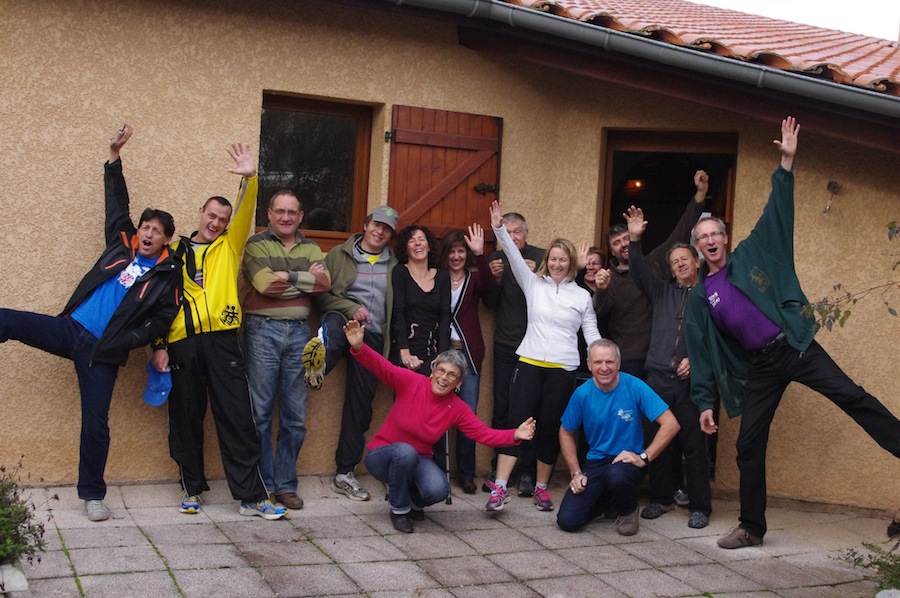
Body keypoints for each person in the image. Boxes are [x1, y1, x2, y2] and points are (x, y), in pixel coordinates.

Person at [686, 116, 900, 549]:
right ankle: (751, 527)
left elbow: (777, 216)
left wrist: (785, 166)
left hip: (795, 348)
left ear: (725, 239)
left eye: (716, 233)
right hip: (760, 367)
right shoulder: (700, 293)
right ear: (696, 247)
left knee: (851, 394)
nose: (711, 240)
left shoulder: (750, 255)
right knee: (747, 446)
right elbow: (702, 350)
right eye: (703, 237)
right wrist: (704, 401)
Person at [0, 124, 182, 522]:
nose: (148, 233)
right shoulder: (121, 244)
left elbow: (162, 321)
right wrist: (114, 157)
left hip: (102, 352)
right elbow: (116, 204)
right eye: (145, 228)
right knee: (7, 319)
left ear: (166, 240)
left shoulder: (167, 277)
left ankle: (93, 495)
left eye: (156, 231)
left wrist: (128, 344)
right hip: (70, 330)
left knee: (95, 424)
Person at [153, 142, 286, 521]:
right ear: (200, 214)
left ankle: (251, 497)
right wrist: (159, 345)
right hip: (181, 345)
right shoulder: (174, 252)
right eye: (211, 215)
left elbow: (246, 210)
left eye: (222, 219)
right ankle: (191, 490)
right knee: (185, 419)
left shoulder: (229, 247)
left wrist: (251, 177)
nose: (215, 223)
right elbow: (159, 306)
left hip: (223, 342)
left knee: (238, 419)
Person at [339, 320, 536, 533]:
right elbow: (381, 366)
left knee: (439, 489)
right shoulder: (410, 382)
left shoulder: (457, 408)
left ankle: (413, 502)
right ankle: (399, 509)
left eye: (452, 375)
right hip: (382, 456)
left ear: (459, 384)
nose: (444, 378)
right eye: (441, 371)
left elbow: (483, 434)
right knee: (405, 452)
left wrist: (515, 434)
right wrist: (359, 346)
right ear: (432, 371)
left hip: (419, 460)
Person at [485, 200, 600, 514]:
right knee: (516, 424)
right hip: (530, 363)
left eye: (564, 259)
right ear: (547, 261)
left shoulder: (581, 296)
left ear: (572, 263)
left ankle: (541, 488)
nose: (559, 264)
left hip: (562, 370)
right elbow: (511, 252)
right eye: (554, 259)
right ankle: (500, 487)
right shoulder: (533, 284)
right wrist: (498, 228)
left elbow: (590, 329)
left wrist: (599, 357)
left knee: (550, 427)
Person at [241, 189, 331, 511]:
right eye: (280, 211)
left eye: (292, 212)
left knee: (295, 415)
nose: (286, 217)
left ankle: (286, 485)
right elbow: (264, 284)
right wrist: (305, 278)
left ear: (301, 216)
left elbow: (325, 284)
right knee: (260, 413)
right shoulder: (255, 244)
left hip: (299, 334)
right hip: (262, 332)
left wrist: (287, 275)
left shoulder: (311, 246)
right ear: (269, 213)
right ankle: (263, 484)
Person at [302, 205, 399, 502]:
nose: (380, 231)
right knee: (333, 329)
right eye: (376, 224)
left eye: (387, 229)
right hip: (344, 322)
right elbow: (323, 295)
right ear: (366, 223)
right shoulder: (339, 255)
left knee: (360, 405)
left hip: (373, 339)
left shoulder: (397, 265)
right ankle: (318, 366)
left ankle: (345, 472)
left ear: (390, 235)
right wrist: (350, 308)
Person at [626, 207, 712, 529]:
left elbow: (719, 340)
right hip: (657, 379)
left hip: (692, 383)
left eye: (684, 259)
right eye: (674, 262)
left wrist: (699, 361)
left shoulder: (709, 295)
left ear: (696, 262)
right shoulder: (661, 291)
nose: (679, 264)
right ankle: (661, 498)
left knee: (694, 446)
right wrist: (635, 240)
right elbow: (638, 272)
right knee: (658, 442)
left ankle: (701, 505)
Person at [557, 339, 679, 535]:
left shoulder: (635, 386)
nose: (604, 368)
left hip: (626, 461)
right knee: (568, 521)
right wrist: (576, 472)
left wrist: (644, 457)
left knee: (617, 475)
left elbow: (671, 424)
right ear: (589, 365)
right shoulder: (582, 394)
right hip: (596, 462)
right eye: (598, 362)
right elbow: (565, 431)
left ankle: (628, 510)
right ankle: (611, 500)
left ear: (619, 364)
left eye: (609, 362)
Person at [594, 170, 709, 378]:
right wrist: (600, 290)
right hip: (627, 359)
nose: (624, 245)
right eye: (617, 243)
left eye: (627, 238)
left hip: (661, 358)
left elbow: (682, 230)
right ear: (611, 251)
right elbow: (600, 312)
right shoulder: (608, 277)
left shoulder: (654, 263)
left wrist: (700, 194)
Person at [483, 211, 545, 496]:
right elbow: (489, 303)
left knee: (530, 411)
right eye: (506, 232)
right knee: (503, 407)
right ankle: (499, 467)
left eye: (517, 231)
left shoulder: (542, 257)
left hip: (535, 347)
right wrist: (493, 281)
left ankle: (527, 472)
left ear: (526, 234)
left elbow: (559, 291)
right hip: (505, 344)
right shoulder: (496, 259)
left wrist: (539, 276)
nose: (512, 237)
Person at [439, 225, 496, 494]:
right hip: (442, 352)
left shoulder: (474, 279)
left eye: (461, 251)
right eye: (452, 251)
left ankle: (466, 473)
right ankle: (437, 470)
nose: (456, 256)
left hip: (468, 353)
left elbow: (492, 296)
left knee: (467, 415)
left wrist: (480, 254)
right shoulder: (436, 277)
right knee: (437, 412)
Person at [391, 225, 450, 374]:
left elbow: (445, 316)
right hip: (406, 351)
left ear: (429, 246)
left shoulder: (442, 276)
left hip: (433, 351)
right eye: (411, 241)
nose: (417, 243)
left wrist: (442, 356)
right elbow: (398, 312)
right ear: (405, 249)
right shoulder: (400, 272)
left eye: (421, 239)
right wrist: (404, 352)